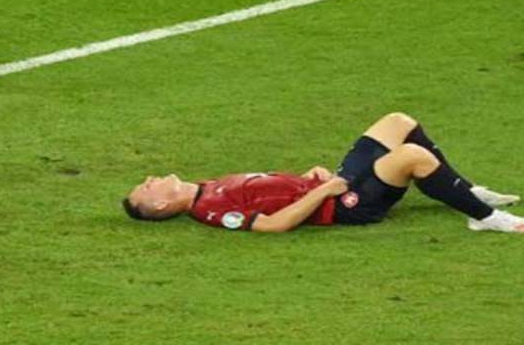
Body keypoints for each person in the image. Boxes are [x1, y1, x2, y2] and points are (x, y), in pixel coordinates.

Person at [123, 112, 523, 233]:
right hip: (347, 205)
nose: (150, 178)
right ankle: (486, 218)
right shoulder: (210, 209)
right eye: (146, 187)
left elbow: (269, 193)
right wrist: (322, 192)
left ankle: (467, 192)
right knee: (411, 156)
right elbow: (272, 225)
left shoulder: (207, 187)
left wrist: (305, 178)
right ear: (160, 203)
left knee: (397, 122)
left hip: (326, 186)